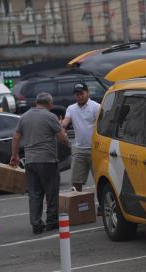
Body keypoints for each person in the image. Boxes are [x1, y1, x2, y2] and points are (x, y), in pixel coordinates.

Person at [10, 92, 70, 234]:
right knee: (51, 192)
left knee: (35, 194)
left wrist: (15, 155)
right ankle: (51, 222)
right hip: (47, 160)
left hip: (30, 162)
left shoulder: (24, 117)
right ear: (49, 103)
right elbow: (61, 137)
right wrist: (68, 144)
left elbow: (16, 137)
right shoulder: (50, 117)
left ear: (37, 102)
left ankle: (36, 224)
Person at [61, 82, 100, 200]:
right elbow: (65, 122)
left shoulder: (96, 106)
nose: (79, 96)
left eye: (81, 93)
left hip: (96, 150)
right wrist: (61, 125)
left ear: (87, 93)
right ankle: (77, 207)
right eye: (77, 94)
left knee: (99, 181)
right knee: (76, 182)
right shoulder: (71, 108)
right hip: (80, 150)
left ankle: (102, 206)